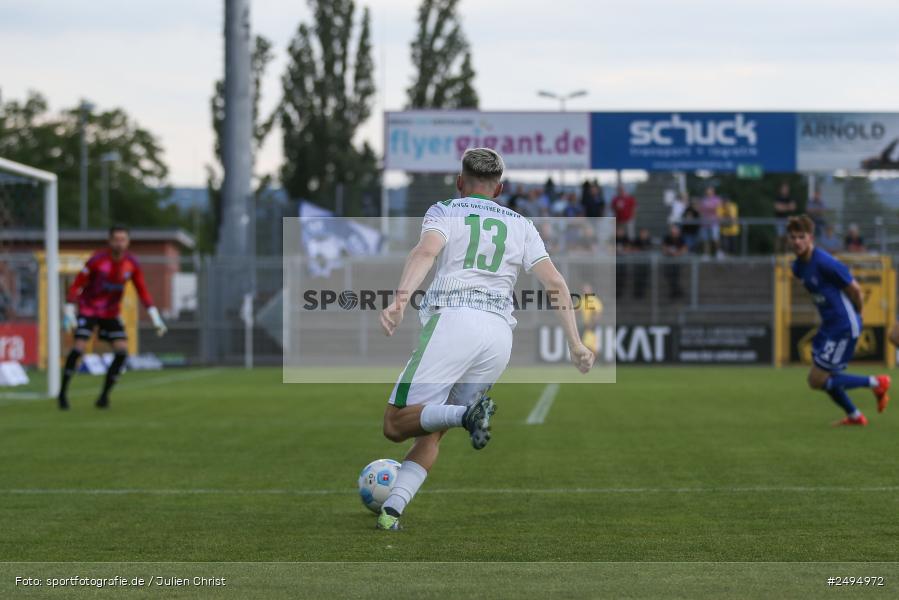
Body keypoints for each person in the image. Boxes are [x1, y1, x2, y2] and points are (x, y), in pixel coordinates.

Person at [376, 148, 595, 530]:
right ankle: (392, 509)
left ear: (460, 183)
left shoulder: (446, 209)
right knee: (432, 430)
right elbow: (556, 284)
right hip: (497, 337)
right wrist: (575, 344)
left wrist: (399, 301)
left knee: (395, 425)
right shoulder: (521, 224)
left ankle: (468, 414)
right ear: (500, 189)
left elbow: (426, 252)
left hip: (454, 323)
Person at [787, 215, 889, 426]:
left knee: (816, 380)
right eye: (793, 237)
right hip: (828, 326)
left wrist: (858, 314)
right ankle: (854, 416)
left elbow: (855, 290)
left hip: (843, 326)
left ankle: (877, 382)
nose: (797, 241)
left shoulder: (826, 263)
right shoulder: (797, 267)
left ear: (811, 238)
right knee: (825, 377)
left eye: (801, 237)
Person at [58, 225, 168, 410]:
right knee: (79, 348)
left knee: (122, 351)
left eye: (122, 239)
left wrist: (155, 316)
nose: (119, 243)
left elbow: (142, 290)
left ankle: (104, 397)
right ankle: (62, 393)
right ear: (109, 241)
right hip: (89, 309)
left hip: (110, 313)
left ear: (128, 242)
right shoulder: (97, 260)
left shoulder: (131, 264)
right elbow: (77, 284)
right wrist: (69, 308)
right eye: (116, 239)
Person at [661, 224, 688, 299]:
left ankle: (675, 292)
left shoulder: (681, 238)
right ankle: (677, 291)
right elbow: (664, 248)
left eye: (675, 231)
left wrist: (677, 253)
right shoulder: (667, 238)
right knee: (669, 277)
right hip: (668, 261)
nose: (674, 233)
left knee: (675, 277)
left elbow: (685, 249)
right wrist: (669, 252)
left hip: (677, 261)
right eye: (673, 231)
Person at [698, 186, 722, 257]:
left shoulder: (717, 199)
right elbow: (700, 210)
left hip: (714, 223)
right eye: (707, 191)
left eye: (710, 191)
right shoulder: (703, 200)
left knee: (715, 238)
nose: (708, 192)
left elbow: (718, 209)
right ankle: (706, 254)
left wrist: (709, 208)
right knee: (705, 240)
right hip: (704, 223)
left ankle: (718, 252)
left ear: (713, 192)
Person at [774, 182, 797, 252]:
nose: (785, 190)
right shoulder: (777, 198)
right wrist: (788, 206)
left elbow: (793, 208)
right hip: (779, 220)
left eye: (786, 188)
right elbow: (778, 208)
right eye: (784, 188)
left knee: (788, 238)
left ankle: (786, 254)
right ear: (781, 189)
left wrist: (783, 207)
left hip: (788, 220)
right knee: (779, 237)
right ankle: (777, 254)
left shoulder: (791, 198)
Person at [630, 228, 652, 299]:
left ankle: (642, 292)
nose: (644, 235)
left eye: (645, 233)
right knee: (637, 278)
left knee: (644, 278)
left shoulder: (649, 241)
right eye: (642, 233)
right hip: (637, 263)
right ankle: (637, 293)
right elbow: (633, 249)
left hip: (645, 263)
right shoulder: (636, 240)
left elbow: (649, 250)